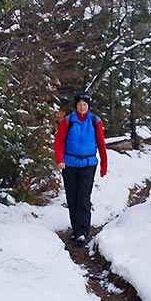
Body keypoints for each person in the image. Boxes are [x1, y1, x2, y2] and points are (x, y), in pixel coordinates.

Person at [54, 92, 108, 245]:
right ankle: (76, 229)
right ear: (76, 106)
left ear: (88, 106)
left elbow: (101, 144)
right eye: (79, 105)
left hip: (88, 164)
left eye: (84, 105)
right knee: (72, 198)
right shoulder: (68, 121)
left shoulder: (95, 121)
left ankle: (83, 232)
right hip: (69, 165)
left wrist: (104, 165)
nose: (82, 107)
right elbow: (59, 141)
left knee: (83, 197)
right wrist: (60, 160)